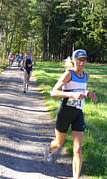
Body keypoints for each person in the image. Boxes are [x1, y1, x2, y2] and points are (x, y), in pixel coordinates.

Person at [44, 49, 97, 179]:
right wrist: (71, 94)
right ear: (74, 60)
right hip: (65, 112)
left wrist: (89, 93)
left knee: (78, 149)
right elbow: (53, 92)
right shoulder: (69, 74)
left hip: (78, 114)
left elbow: (81, 89)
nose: (82, 62)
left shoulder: (86, 75)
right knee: (59, 143)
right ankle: (49, 148)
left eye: (84, 59)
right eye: (79, 59)